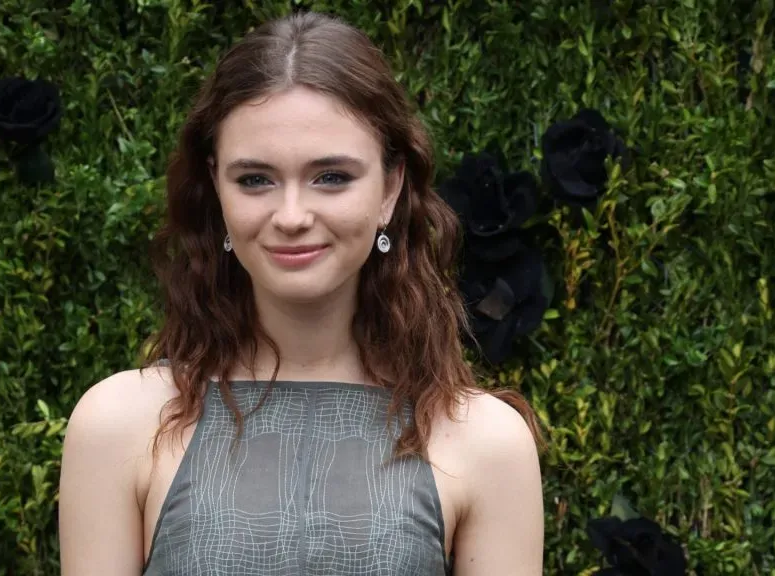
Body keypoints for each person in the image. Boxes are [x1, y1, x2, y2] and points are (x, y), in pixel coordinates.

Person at [58, 11, 544, 576]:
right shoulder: (119, 425)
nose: (292, 216)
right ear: (216, 189)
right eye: (255, 179)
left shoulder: (485, 443)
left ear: (390, 189)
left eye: (331, 176)